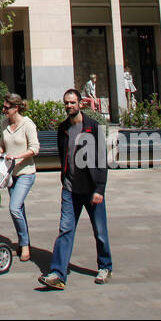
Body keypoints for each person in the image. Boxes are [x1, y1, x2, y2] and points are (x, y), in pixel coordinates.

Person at [40, 89, 112, 288]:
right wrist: (64, 179)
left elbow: (101, 160)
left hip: (92, 190)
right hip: (70, 189)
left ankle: (105, 266)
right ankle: (57, 273)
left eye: (72, 102)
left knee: (100, 231)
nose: (69, 106)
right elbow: (64, 155)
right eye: (66, 103)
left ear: (80, 103)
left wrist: (100, 188)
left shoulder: (92, 127)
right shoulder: (63, 128)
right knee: (65, 230)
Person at [0, 94, 39, 262]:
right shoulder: (5, 124)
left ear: (15, 108)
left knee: (14, 208)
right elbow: (3, 145)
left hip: (26, 172)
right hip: (10, 174)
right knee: (19, 210)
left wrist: (17, 157)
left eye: (6, 107)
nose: (3, 110)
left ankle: (25, 246)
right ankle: (23, 242)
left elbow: (34, 149)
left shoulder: (27, 125)